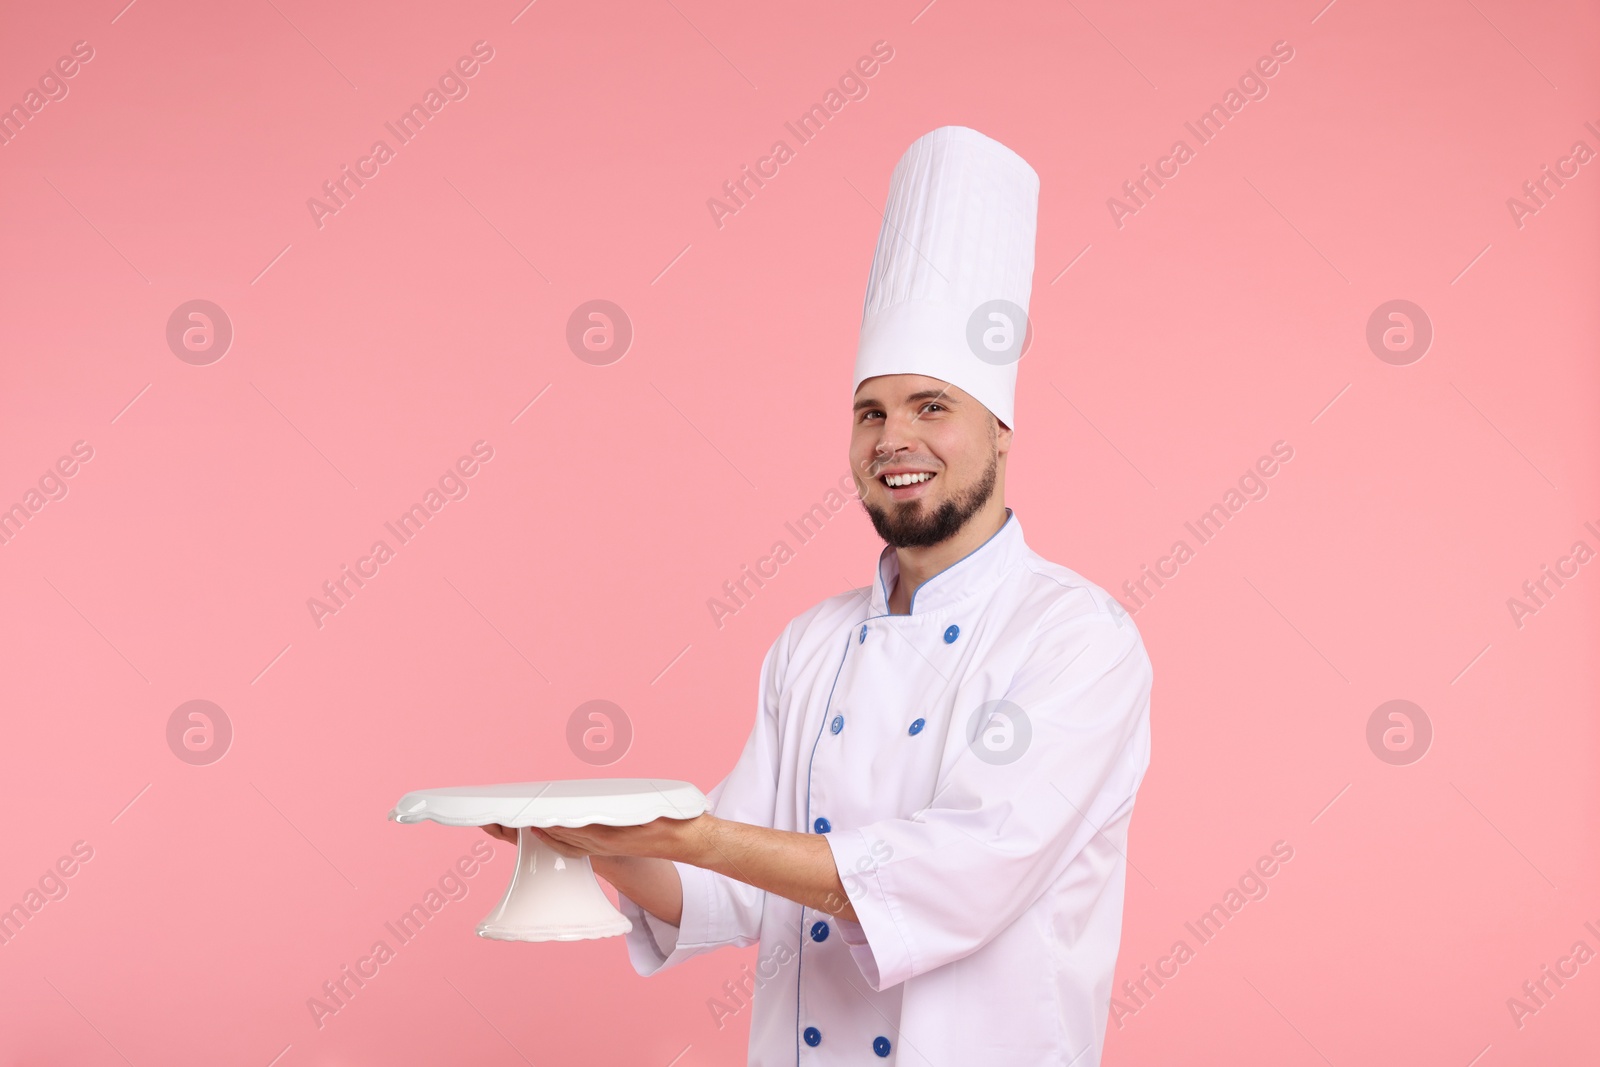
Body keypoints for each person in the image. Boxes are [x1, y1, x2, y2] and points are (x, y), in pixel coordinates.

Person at [483, 125, 1153, 1066]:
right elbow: (726, 891)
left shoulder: (1078, 638)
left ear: (1001, 431)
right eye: (870, 412)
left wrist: (702, 835)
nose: (894, 440)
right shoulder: (812, 642)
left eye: (932, 406)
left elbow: (959, 876)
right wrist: (596, 840)